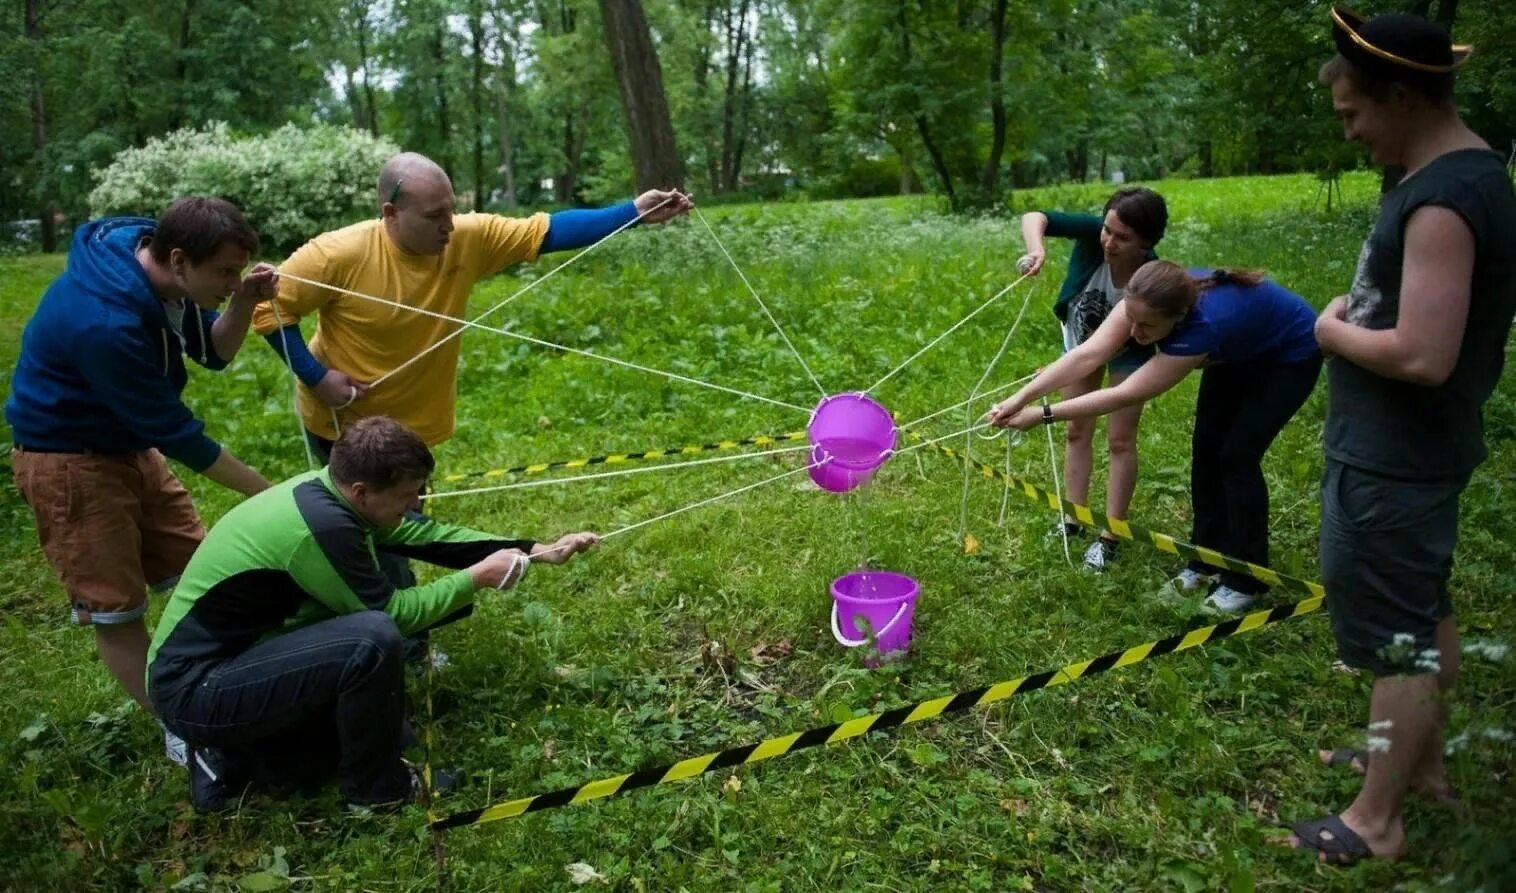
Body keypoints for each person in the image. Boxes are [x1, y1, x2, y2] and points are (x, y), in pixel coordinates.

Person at [252, 152, 690, 624]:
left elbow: (549, 232)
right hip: (346, 426)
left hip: (413, 427)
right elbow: (267, 308)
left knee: (402, 523)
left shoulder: (465, 237)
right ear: (390, 214)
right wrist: (318, 379)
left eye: (452, 211)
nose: (449, 226)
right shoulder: (337, 254)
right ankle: (390, 634)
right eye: (434, 216)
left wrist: (633, 212)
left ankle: (383, 618)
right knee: (386, 535)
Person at [1278, 7, 1516, 866]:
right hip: (1411, 455)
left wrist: (1330, 329)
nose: (1350, 132)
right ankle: (1419, 766)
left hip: (1394, 459)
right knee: (1423, 613)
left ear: (1402, 95)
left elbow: (1421, 353)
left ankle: (1376, 819)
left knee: (1396, 639)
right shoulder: (1468, 174)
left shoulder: (1445, 198)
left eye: (1354, 113)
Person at [146, 416, 600, 812]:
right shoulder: (323, 527)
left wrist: (533, 550)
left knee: (313, 756)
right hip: (197, 688)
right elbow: (391, 613)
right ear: (362, 491)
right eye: (406, 496)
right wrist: (476, 577)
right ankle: (377, 792)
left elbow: (427, 536)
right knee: (372, 637)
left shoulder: (332, 495)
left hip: (241, 662)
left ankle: (242, 755)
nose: (414, 505)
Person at [5, 197, 277, 766]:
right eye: (225, 273)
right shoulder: (106, 324)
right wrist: (271, 493)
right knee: (118, 609)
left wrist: (246, 301)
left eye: (237, 271)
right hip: (69, 464)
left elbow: (215, 352)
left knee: (202, 569)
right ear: (178, 259)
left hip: (130, 446)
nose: (231, 283)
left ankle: (222, 679)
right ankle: (182, 724)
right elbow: (185, 438)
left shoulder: (154, 265)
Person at [987, 262, 1322, 612]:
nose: (1135, 331)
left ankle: (1245, 580)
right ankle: (1203, 560)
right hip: (1236, 352)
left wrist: (1042, 415)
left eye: (1146, 325)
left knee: (1236, 457)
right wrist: (1019, 398)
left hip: (1288, 356)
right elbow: (1086, 355)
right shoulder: (1143, 299)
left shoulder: (1203, 326)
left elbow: (1125, 394)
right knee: (1206, 450)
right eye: (1130, 318)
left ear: (1178, 317)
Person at [1016, 187, 1168, 570]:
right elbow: (1035, 216)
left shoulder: (1151, 274)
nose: (1109, 242)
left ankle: (1110, 535)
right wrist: (1038, 249)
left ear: (1147, 243)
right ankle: (1073, 517)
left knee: (1120, 440)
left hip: (1129, 352)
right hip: (1081, 345)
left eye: (1123, 238)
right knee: (1075, 431)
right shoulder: (1092, 236)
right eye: (1107, 230)